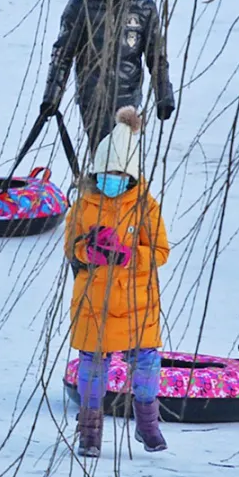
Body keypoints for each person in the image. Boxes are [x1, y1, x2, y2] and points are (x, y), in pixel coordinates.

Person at [64, 106, 170, 457]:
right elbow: (72, 250)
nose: (114, 179)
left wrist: (127, 254)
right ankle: (90, 432)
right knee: (92, 368)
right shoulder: (83, 205)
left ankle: (147, 425)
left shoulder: (145, 206)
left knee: (146, 364)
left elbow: (159, 251)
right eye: (108, 172)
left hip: (137, 301)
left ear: (131, 175)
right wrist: (88, 250)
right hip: (95, 300)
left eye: (120, 174)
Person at [40, 0, 176, 155]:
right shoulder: (81, 6)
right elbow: (62, 55)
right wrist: (52, 96)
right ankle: (99, 187)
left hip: (128, 98)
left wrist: (164, 95)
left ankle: (127, 189)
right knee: (103, 156)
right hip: (93, 98)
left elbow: (156, 57)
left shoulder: (144, 8)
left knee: (124, 159)